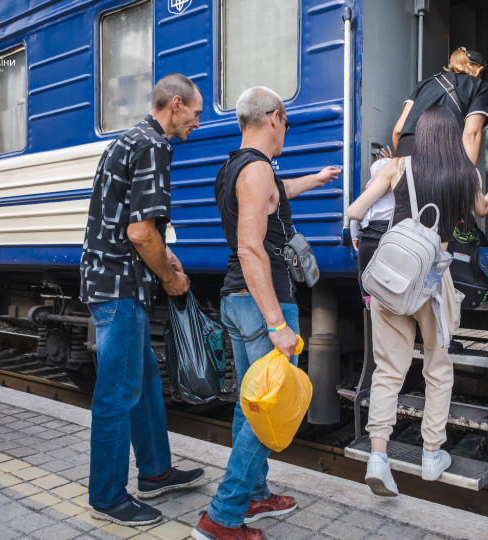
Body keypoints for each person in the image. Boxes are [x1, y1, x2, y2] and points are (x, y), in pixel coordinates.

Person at [192, 87, 341, 540]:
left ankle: (255, 496)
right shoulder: (257, 170)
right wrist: (277, 322)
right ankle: (223, 516)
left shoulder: (236, 168)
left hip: (237, 301)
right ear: (274, 117)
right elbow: (251, 248)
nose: (285, 133)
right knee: (268, 411)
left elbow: (277, 196)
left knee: (251, 402)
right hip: (262, 304)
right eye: (286, 124)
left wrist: (315, 179)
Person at [348, 105, 488, 496]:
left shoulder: (397, 167)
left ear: (421, 135)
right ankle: (432, 453)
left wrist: (362, 230)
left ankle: (378, 456)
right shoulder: (467, 173)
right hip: (434, 279)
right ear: (451, 136)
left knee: (388, 369)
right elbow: (482, 209)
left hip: (394, 277)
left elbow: (355, 211)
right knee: (437, 366)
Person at [79, 73, 205, 526]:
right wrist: (170, 276)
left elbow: (132, 224)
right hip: (119, 287)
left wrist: (167, 257)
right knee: (118, 390)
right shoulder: (154, 145)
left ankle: (155, 472)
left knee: (145, 381)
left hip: (112, 279)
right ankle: (108, 496)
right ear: (176, 104)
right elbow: (138, 231)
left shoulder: (129, 139)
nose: (198, 121)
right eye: (195, 111)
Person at [392, 47, 488, 164]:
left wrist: (399, 165)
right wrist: (470, 178)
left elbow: (398, 130)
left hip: (405, 155)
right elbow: (471, 135)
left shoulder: (424, 85)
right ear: (478, 70)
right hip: (440, 155)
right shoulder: (479, 86)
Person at [350, 147, 393, 305]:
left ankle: (367, 298)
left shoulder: (370, 193)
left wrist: (355, 237)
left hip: (369, 239)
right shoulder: (398, 193)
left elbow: (354, 218)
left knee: (364, 270)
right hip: (390, 238)